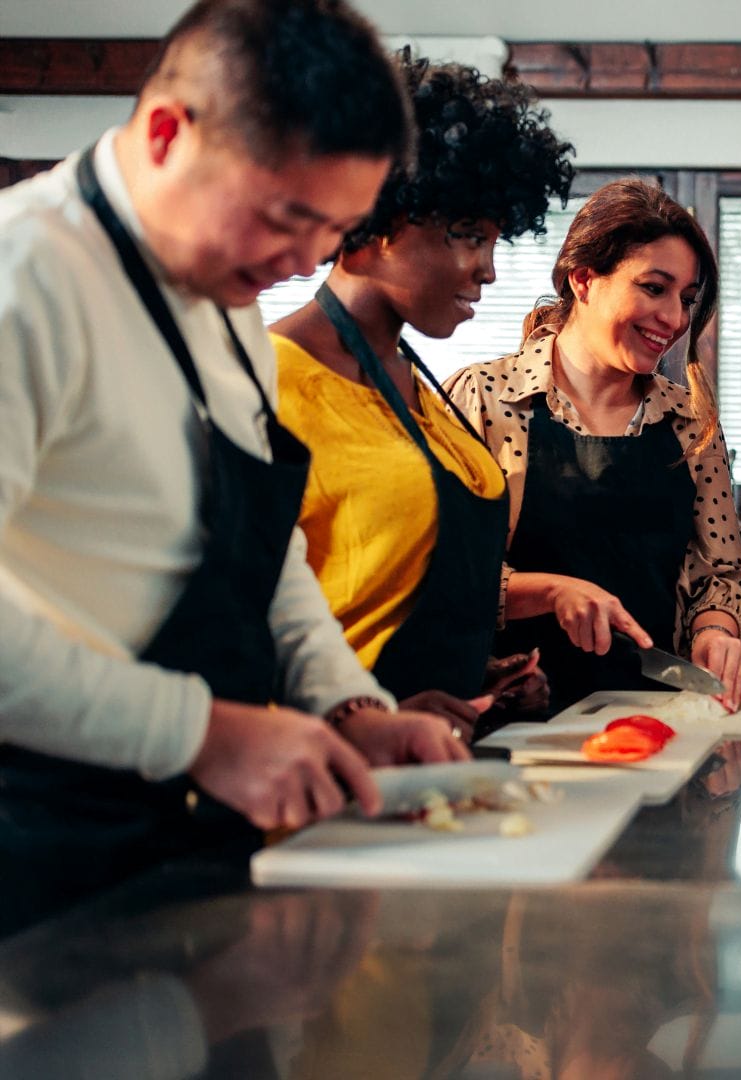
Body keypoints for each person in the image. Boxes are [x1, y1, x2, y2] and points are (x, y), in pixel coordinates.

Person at [0, 0, 469, 936]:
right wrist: (199, 732)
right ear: (168, 133)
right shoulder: (25, 279)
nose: (303, 262)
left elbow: (261, 554)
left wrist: (347, 706)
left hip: (187, 836)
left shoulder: (230, 304)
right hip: (38, 850)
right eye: (285, 216)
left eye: (332, 228)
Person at [270, 54, 574, 729]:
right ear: (377, 219)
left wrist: (474, 676)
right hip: (325, 778)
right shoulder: (271, 381)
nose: (488, 271)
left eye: (496, 241)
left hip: (428, 769)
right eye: (468, 236)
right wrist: (366, 717)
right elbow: (241, 621)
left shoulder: (424, 389)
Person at [445, 179, 741, 711]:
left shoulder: (690, 420)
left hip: (659, 717)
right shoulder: (484, 400)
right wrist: (552, 590)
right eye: (654, 288)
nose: (675, 319)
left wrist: (716, 632)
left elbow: (721, 572)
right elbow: (443, 575)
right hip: (514, 719)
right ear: (584, 279)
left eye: (686, 299)